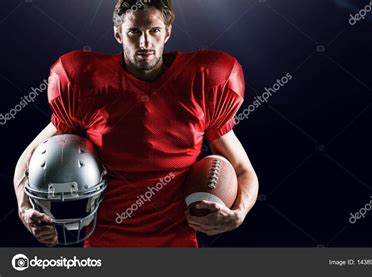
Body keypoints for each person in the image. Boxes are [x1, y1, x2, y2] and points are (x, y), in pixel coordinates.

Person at [13, 0, 258, 247]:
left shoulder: (201, 85)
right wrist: (25, 210)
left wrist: (239, 213)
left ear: (168, 32)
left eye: (154, 31)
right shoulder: (88, 84)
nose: (145, 43)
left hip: (177, 245)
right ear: (118, 34)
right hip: (105, 243)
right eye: (134, 32)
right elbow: (30, 157)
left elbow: (242, 169)